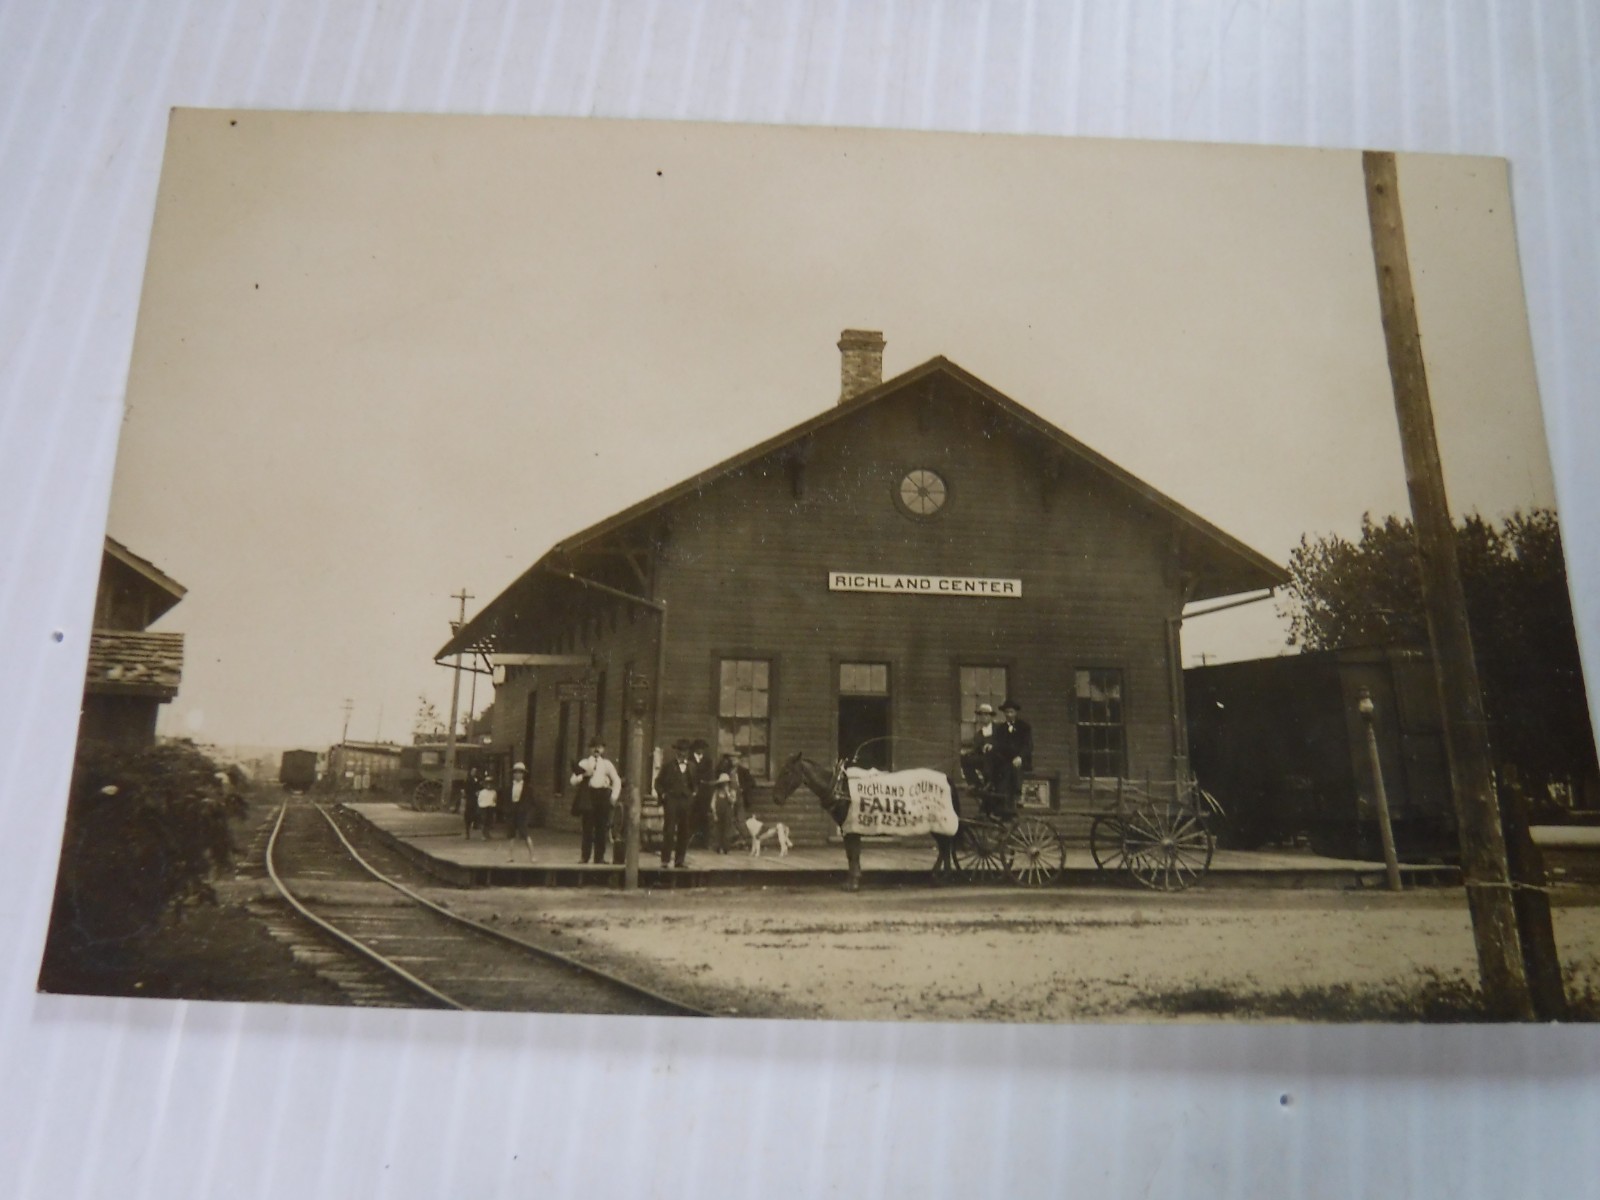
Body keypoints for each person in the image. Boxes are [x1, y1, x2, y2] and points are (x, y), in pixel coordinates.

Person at [571, 738, 622, 864]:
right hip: (589, 796)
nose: (596, 750)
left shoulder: (607, 764)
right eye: (594, 747)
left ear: (603, 749)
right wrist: (583, 775)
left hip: (602, 796)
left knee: (601, 828)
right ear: (590, 749)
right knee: (587, 828)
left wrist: (614, 797)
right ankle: (585, 856)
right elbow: (572, 781)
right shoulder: (584, 763)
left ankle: (599, 857)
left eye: (599, 747)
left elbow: (617, 780)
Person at [653, 739, 696, 869]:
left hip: (685, 802)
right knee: (669, 830)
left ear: (688, 752)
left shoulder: (692, 767)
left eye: (685, 751)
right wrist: (664, 795)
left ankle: (679, 860)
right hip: (671, 801)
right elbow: (658, 783)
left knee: (684, 831)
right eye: (680, 751)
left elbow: (695, 783)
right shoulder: (668, 766)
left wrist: (692, 794)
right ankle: (665, 860)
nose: (682, 754)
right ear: (676, 752)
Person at [993, 699, 1034, 819]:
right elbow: (998, 745)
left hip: (1020, 760)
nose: (1008, 715)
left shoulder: (1024, 727)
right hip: (1005, 761)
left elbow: (1028, 745)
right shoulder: (1000, 729)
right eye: (1006, 712)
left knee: (1014, 768)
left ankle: (1017, 796)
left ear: (1015, 713)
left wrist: (1020, 757)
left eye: (1011, 712)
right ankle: (1002, 805)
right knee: (1001, 771)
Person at [506, 761, 534, 862]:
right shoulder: (509, 787)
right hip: (512, 811)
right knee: (511, 834)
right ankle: (510, 856)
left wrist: (526, 811)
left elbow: (531, 801)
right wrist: (508, 809)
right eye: (515, 773)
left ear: (523, 774)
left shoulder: (528, 788)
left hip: (522, 812)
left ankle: (532, 856)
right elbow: (506, 799)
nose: (517, 775)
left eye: (520, 773)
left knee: (525, 834)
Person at [688, 738, 713, 848]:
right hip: (691, 791)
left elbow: (709, 775)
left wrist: (702, 780)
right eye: (699, 748)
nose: (701, 750)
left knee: (704, 817)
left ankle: (704, 842)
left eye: (703, 749)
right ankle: (689, 841)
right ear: (695, 749)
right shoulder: (689, 759)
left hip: (704, 793)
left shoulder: (708, 761)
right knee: (690, 816)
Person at [474, 772, 499, 840]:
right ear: (485, 784)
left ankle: (487, 833)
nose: (489, 785)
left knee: (489, 821)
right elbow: (479, 800)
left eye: (490, 784)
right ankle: (483, 834)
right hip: (483, 808)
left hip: (490, 807)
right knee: (483, 821)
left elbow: (495, 800)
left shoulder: (494, 792)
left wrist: (494, 805)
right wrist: (479, 807)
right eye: (487, 784)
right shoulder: (482, 792)